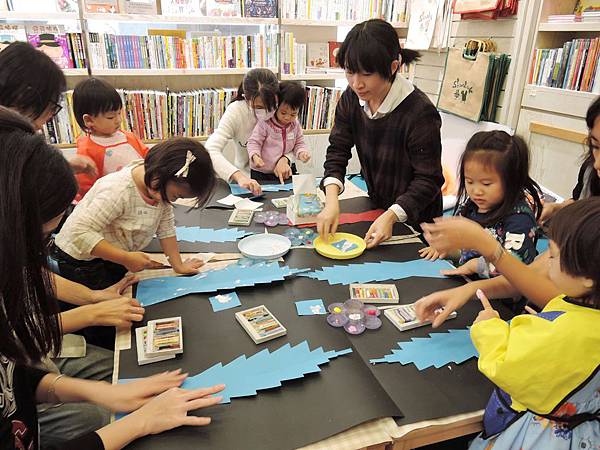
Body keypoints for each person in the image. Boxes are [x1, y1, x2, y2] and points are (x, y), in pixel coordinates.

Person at [0, 119, 224, 450]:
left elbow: (17, 375)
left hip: (38, 390)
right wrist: (139, 422)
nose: (40, 252)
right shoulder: (115, 190)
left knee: (116, 368)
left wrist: (105, 391)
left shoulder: (16, 277)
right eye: (44, 235)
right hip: (85, 267)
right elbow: (30, 338)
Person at [417, 199, 600, 449]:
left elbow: (508, 366)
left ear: (588, 278)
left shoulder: (569, 331)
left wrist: (489, 326)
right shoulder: (586, 307)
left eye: (554, 256)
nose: (547, 262)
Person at [317, 19, 444, 249]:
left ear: (393, 67)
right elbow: (338, 149)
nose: (356, 83)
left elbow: (429, 178)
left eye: (366, 74)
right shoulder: (351, 98)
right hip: (377, 205)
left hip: (418, 222)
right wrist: (332, 199)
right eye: (349, 72)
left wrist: (393, 215)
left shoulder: (420, 112)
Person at [52, 138, 216, 291]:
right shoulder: (118, 190)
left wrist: (178, 265)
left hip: (113, 256)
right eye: (176, 196)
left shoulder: (159, 191)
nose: (171, 201)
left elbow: (166, 227)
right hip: (80, 262)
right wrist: (125, 258)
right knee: (107, 306)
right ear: (160, 175)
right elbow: (79, 233)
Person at [419, 131, 542, 278]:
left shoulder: (520, 220)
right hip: (468, 285)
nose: (476, 191)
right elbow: (467, 253)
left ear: (512, 180)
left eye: (486, 183)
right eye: (469, 181)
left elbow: (516, 267)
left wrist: (477, 265)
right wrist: (449, 251)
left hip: (500, 297)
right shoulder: (470, 207)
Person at [0, 41, 96, 175]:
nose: (51, 115)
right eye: (51, 106)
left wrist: (64, 167)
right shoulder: (16, 144)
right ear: (24, 97)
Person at [205, 68, 285, 195]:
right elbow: (210, 149)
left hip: (280, 179)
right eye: (258, 107)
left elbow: (296, 138)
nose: (266, 112)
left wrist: (286, 158)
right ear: (246, 98)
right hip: (248, 181)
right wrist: (238, 176)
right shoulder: (236, 111)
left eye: (271, 105)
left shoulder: (283, 107)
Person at [72, 77, 149, 200]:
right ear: (89, 120)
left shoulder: (128, 137)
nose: (118, 120)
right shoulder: (87, 149)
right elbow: (86, 187)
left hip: (139, 196)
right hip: (111, 201)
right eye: (110, 117)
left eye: (119, 113)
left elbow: (147, 157)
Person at [539, 96, 600, 225]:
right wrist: (555, 208)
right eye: (596, 146)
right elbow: (579, 202)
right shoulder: (590, 170)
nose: (597, 164)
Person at [247, 81, 311, 184]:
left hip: (286, 169)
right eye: (283, 113)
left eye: (293, 114)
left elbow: (299, 143)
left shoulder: (295, 124)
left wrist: (302, 152)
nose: (287, 118)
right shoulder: (266, 123)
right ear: (276, 105)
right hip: (262, 172)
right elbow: (254, 142)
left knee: (287, 195)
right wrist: (255, 156)